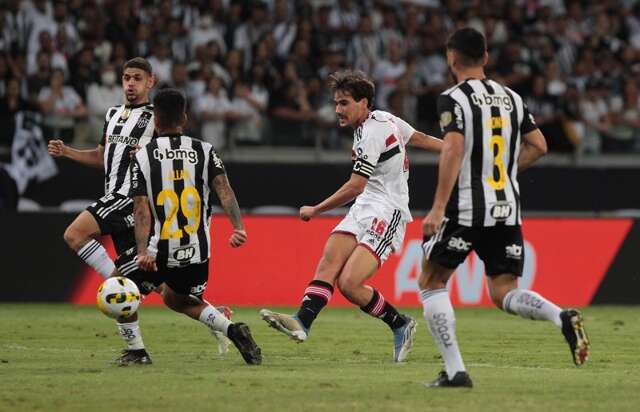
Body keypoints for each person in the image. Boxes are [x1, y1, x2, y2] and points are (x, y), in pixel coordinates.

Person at [418, 28, 591, 388]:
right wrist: (503, 173)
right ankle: (560, 317)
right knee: (503, 290)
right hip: (506, 208)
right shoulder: (511, 97)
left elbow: (451, 149)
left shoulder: (452, 97)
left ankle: (455, 372)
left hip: (465, 208)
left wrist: (437, 208)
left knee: (432, 281)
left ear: (451, 59)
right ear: (485, 57)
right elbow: (539, 145)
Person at [260, 70, 442, 362]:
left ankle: (401, 323)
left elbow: (355, 185)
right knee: (329, 260)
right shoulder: (384, 118)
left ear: (363, 102)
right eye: (336, 103)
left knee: (350, 284)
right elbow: (417, 138)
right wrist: (452, 149)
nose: (337, 110)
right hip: (364, 207)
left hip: (387, 210)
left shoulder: (372, 132)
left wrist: (316, 209)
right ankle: (303, 320)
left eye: (344, 103)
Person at [127, 88, 261, 366]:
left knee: (120, 279)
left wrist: (142, 250)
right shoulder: (205, 150)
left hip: (159, 250)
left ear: (156, 121)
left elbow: (141, 209)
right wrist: (239, 227)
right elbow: (224, 190)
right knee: (178, 299)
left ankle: (136, 350)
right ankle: (230, 328)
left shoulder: (141, 157)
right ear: (185, 118)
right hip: (198, 252)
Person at [47, 57, 155, 280]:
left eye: (137, 78)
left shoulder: (157, 116)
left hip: (130, 196)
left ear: (150, 82)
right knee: (148, 280)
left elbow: (169, 156)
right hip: (115, 197)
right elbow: (101, 156)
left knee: (74, 234)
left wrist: (147, 154)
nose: (131, 83)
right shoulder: (112, 114)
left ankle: (116, 287)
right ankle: (218, 316)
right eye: (126, 78)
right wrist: (67, 151)